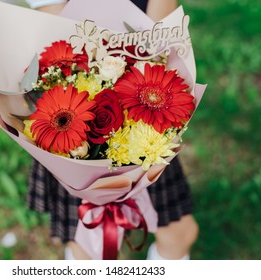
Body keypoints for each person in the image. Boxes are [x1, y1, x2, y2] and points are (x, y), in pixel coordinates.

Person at [26, 0, 199, 260]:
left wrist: (157, 86)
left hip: (142, 114)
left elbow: (161, 32)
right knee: (88, 246)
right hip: (77, 128)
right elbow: (64, 32)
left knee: (178, 233)